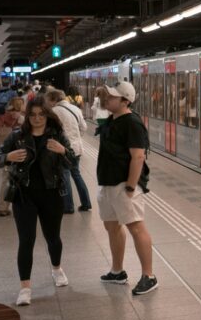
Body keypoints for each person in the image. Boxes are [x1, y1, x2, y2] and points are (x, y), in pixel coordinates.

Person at [0, 101, 74, 306]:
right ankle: (25, 288)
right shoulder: (17, 136)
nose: (37, 118)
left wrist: (63, 151)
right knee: (26, 241)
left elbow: (73, 163)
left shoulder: (56, 136)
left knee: (53, 237)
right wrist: (8, 157)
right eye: (33, 115)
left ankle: (56, 268)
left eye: (41, 115)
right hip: (23, 196)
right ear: (27, 117)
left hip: (51, 194)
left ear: (47, 116)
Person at [96, 81, 158, 296]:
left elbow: (138, 156)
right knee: (112, 227)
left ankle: (148, 276)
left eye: (112, 97)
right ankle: (117, 271)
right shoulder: (112, 120)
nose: (106, 99)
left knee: (136, 228)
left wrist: (131, 186)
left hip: (124, 184)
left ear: (125, 100)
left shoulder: (132, 123)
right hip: (107, 183)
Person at [44, 89, 92, 213]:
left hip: (62, 149)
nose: (47, 103)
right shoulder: (76, 109)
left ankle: (68, 206)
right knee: (76, 175)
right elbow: (84, 127)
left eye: (48, 100)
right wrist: (76, 138)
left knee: (65, 176)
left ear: (54, 99)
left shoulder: (53, 112)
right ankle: (86, 203)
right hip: (76, 148)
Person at [0, 97, 26, 217]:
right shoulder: (23, 120)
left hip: (5, 154)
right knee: (23, 179)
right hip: (21, 153)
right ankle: (24, 205)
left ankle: (3, 208)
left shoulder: (1, 118)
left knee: (6, 180)